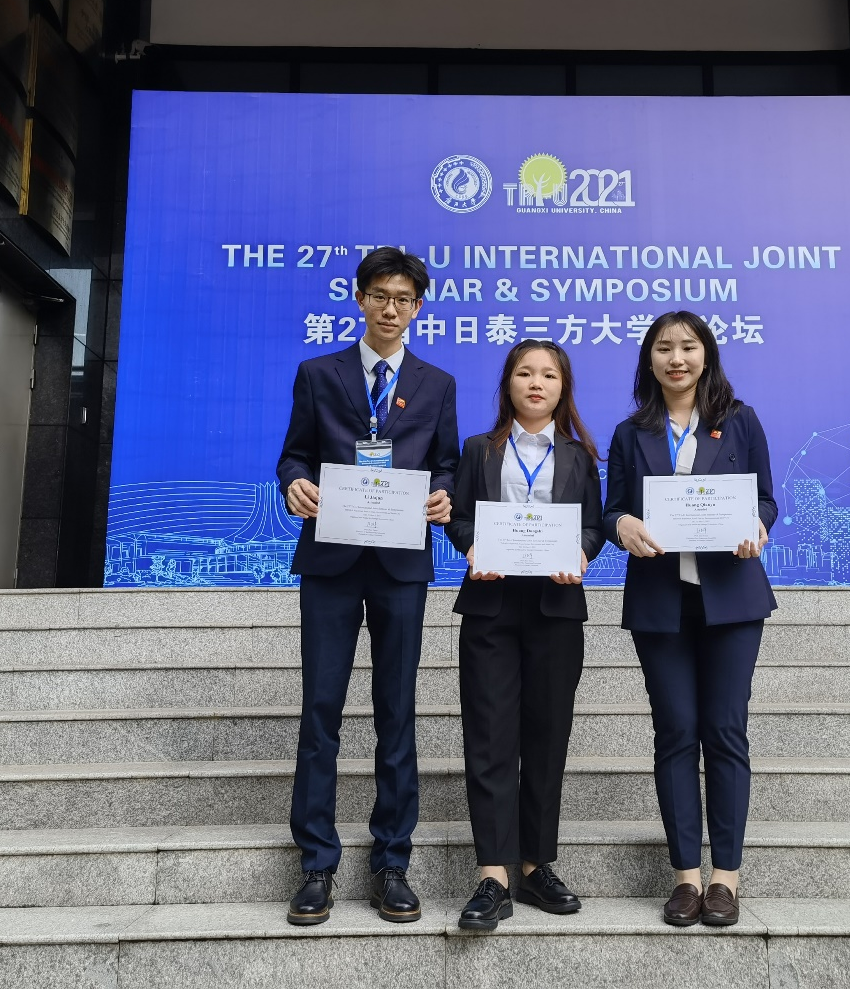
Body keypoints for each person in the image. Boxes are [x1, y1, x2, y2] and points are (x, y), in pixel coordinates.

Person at [277, 247, 459, 926]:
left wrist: (442, 495)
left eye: (403, 299)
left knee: (396, 712)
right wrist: (294, 483)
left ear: (417, 308)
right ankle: (315, 864)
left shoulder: (436, 383)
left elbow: (446, 463)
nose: (390, 308)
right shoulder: (317, 374)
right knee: (320, 710)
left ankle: (391, 863)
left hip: (401, 563)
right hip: (330, 559)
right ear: (359, 299)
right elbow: (294, 454)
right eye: (380, 295)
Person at [602, 310, 777, 928]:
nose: (676, 359)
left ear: (707, 355)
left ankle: (725, 878)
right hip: (661, 601)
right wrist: (622, 524)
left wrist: (758, 524)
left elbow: (765, 498)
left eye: (688, 347)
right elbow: (611, 510)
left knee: (725, 731)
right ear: (648, 360)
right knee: (675, 731)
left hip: (731, 598)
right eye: (663, 348)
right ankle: (685, 878)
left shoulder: (740, 420)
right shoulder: (631, 433)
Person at [445, 340, 605, 931]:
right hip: (490, 606)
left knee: (546, 736)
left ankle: (537, 865)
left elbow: (593, 525)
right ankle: (493, 874)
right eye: (524, 373)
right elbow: (460, 515)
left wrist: (580, 553)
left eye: (548, 375)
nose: (536, 383)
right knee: (489, 737)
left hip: (555, 608)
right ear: (507, 384)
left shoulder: (580, 456)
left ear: (564, 387)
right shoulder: (478, 449)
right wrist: (472, 546)